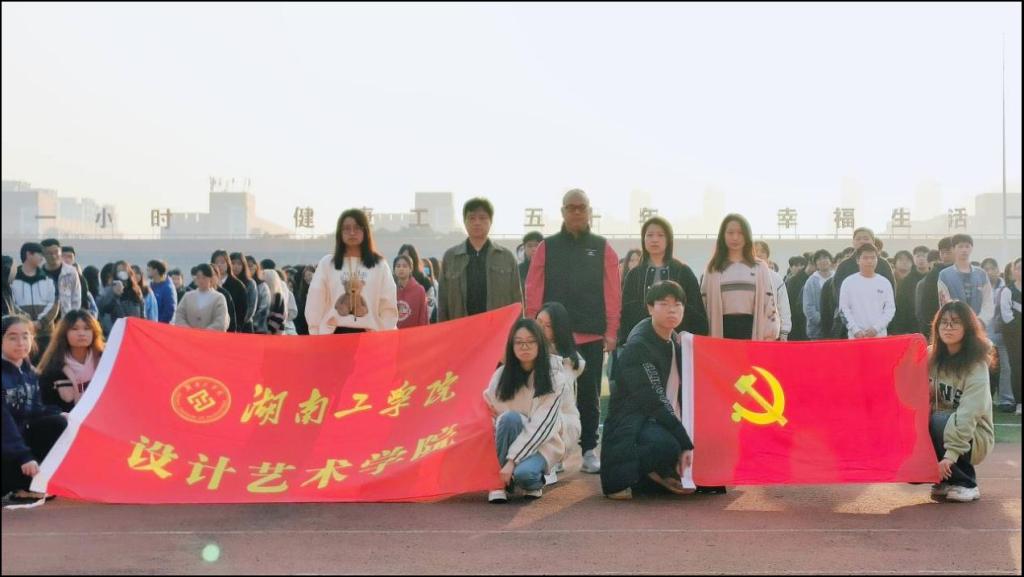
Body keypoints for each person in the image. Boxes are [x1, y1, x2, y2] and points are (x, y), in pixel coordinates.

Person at [525, 189, 621, 475]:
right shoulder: (547, 247)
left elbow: (612, 292)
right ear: (563, 211)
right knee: (550, 395)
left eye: (581, 207)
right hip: (554, 336)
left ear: (589, 211)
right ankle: (553, 452)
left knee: (589, 396)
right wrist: (534, 327)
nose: (577, 212)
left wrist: (611, 331)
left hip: (592, 333)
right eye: (571, 207)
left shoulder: (603, 248)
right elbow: (533, 289)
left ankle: (589, 449)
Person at [601, 281, 694, 500]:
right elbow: (653, 399)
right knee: (669, 445)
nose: (672, 310)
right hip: (634, 422)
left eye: (677, 304)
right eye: (664, 304)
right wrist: (685, 442)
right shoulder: (639, 346)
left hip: (658, 418)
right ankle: (636, 476)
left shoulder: (676, 340)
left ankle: (656, 475)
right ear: (650, 308)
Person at [483, 319, 570, 503]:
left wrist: (512, 462)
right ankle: (498, 483)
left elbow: (541, 426)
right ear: (511, 346)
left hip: (543, 443)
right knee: (509, 419)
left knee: (525, 475)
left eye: (531, 341)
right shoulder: (501, 375)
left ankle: (533, 481)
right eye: (519, 342)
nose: (525, 347)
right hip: (508, 439)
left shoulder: (554, 377)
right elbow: (488, 410)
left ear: (540, 344)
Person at [926, 301, 995, 503]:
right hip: (945, 427)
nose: (948, 327)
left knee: (939, 420)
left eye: (955, 322)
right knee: (929, 419)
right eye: (944, 322)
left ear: (967, 327)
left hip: (974, 434)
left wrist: (950, 455)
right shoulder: (931, 357)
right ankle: (945, 480)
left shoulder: (976, 365)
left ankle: (966, 483)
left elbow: (969, 414)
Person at [2, 315, 67, 505]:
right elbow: (4, 422)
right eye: (12, 337)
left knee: (58, 423)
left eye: (25, 336)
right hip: (8, 446)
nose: (20, 342)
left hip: (18, 443)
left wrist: (59, 413)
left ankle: (28, 485)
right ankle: (21, 484)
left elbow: (35, 410)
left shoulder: (28, 371)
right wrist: (24, 456)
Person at [306, 209, 398, 334]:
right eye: (347, 228)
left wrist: (385, 335)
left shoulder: (379, 265)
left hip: (369, 336)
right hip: (333, 334)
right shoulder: (327, 263)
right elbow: (315, 301)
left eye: (357, 228)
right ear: (340, 232)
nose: (352, 232)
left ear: (365, 231)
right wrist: (315, 332)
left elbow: (388, 305)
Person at [619, 216, 708, 342]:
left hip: (676, 342)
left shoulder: (682, 272)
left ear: (668, 239)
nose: (654, 239)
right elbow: (625, 313)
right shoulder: (635, 275)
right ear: (643, 239)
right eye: (650, 235)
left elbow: (696, 312)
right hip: (641, 341)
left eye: (660, 235)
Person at [438, 198, 523, 322]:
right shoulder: (451, 257)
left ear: (490, 221)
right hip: (461, 328)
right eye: (472, 218)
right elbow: (442, 302)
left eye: (482, 218)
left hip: (497, 328)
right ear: (464, 222)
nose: (477, 223)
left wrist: (518, 330)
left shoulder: (506, 257)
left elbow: (517, 300)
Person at [701, 214, 781, 342]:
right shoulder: (713, 268)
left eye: (740, 233)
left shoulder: (760, 267)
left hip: (752, 330)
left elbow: (769, 303)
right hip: (720, 332)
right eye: (730, 233)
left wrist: (769, 334)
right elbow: (703, 304)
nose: (735, 237)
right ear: (723, 236)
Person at [535, 302, 583, 482]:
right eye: (538, 322)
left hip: (560, 422)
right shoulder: (524, 348)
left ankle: (550, 462)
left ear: (558, 331)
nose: (540, 329)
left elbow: (555, 398)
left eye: (547, 326)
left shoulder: (569, 362)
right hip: (537, 421)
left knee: (546, 413)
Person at [831, 228, 895, 339]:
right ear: (853, 242)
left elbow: (890, 302)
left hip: (878, 331)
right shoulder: (844, 266)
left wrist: (877, 327)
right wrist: (854, 328)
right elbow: (840, 299)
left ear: (873, 241)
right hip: (850, 329)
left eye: (866, 238)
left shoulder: (883, 265)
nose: (862, 241)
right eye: (858, 239)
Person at [37, 310, 105, 412]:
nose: (81, 333)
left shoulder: (105, 360)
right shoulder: (53, 367)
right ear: (64, 333)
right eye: (74, 329)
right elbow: (46, 403)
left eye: (87, 328)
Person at [11, 243, 59, 357]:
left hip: (46, 333)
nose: (43, 258)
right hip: (21, 334)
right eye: (40, 254)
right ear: (29, 254)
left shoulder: (48, 278)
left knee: (47, 365)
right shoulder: (12, 279)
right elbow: (12, 304)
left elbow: (54, 303)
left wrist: (40, 323)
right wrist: (27, 322)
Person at [938, 235, 994, 331]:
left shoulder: (981, 274)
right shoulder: (944, 275)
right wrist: (957, 321)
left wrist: (981, 321)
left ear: (971, 248)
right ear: (953, 249)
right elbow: (944, 303)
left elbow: (988, 301)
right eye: (960, 246)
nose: (964, 250)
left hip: (979, 326)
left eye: (967, 246)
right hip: (955, 325)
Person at [752, 241, 792, 340]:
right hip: (749, 329)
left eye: (762, 251)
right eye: (756, 251)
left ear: (767, 256)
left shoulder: (776, 278)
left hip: (771, 333)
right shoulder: (744, 276)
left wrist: (784, 330)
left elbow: (783, 305)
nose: (759, 254)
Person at [173, 264, 230, 332]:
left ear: (211, 278)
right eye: (198, 277)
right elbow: (179, 315)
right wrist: (189, 331)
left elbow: (221, 321)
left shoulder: (219, 298)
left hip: (210, 337)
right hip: (188, 336)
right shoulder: (187, 296)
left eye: (204, 277)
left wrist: (204, 333)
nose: (201, 280)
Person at [917, 237, 955, 338]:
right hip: (940, 325)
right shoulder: (934, 274)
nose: (945, 256)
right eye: (942, 253)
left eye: (948, 252)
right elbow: (926, 305)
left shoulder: (963, 271)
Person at [998, 258, 1021, 416]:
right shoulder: (1007, 291)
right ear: (1013, 271)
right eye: (1019, 268)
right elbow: (1007, 317)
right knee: (1017, 368)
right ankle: (1019, 402)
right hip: (1014, 337)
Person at [892, 246, 930, 335]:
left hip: (930, 323)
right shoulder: (906, 281)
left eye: (924, 256)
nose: (921, 259)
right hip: (911, 326)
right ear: (914, 259)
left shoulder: (934, 277)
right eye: (918, 256)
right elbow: (901, 306)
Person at [39, 239, 82, 316]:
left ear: (61, 251)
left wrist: (72, 317)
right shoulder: (39, 274)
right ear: (43, 254)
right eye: (49, 253)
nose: (53, 256)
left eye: (56, 252)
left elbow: (76, 298)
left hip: (66, 316)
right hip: (45, 318)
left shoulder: (71, 272)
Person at [211, 250, 250, 333]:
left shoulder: (238, 285)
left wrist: (236, 329)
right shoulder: (207, 284)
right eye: (216, 262)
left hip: (232, 330)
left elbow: (243, 311)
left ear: (228, 264)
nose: (219, 265)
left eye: (222, 262)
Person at [802, 249, 834, 340]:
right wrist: (823, 321)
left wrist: (836, 321)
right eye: (819, 259)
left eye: (825, 258)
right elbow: (808, 307)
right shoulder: (811, 281)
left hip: (837, 330)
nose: (822, 261)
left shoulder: (837, 278)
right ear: (815, 263)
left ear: (830, 261)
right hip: (817, 331)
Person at [394, 255, 428, 329]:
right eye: (398, 266)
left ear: (410, 269)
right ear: (394, 269)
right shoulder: (391, 289)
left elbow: (423, 316)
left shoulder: (419, 290)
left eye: (405, 266)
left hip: (414, 333)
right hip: (395, 333)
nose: (401, 269)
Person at [231, 252, 259, 334]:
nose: (236, 266)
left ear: (244, 266)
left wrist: (240, 323)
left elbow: (251, 307)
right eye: (233, 263)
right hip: (229, 325)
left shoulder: (250, 283)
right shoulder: (226, 282)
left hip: (245, 326)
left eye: (239, 264)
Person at [784, 255, 809, 341]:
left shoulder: (807, 280)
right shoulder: (788, 281)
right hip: (792, 318)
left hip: (803, 317)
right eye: (796, 265)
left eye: (801, 265)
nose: (799, 268)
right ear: (791, 268)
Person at [247, 256, 271, 334]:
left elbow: (264, 307)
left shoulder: (262, 286)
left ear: (256, 267)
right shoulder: (239, 285)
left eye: (250, 266)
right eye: (246, 266)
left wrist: (252, 320)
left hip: (258, 327)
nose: (248, 269)